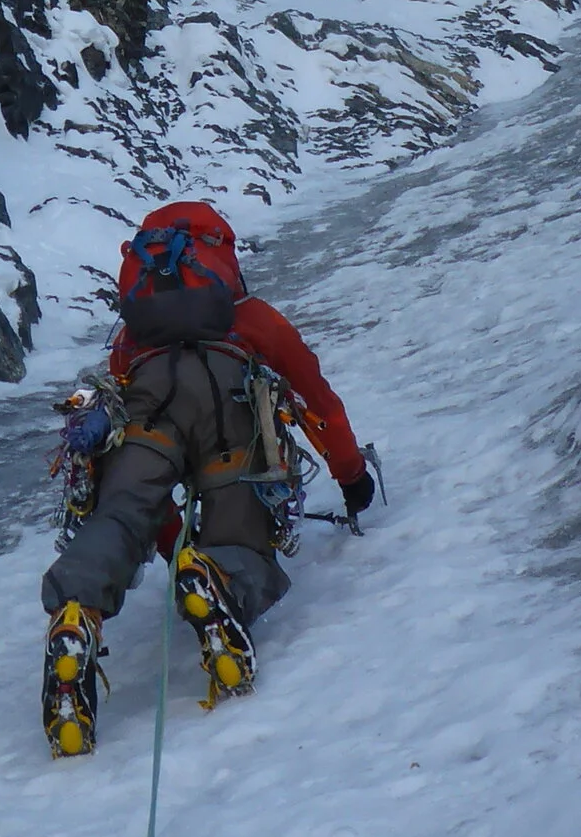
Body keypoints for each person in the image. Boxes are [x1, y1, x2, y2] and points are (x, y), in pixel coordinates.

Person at [41, 199, 374, 756]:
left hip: (149, 409)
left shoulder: (133, 332)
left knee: (121, 512)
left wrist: (175, 544)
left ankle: (78, 611)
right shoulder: (250, 316)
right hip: (229, 413)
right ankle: (222, 581)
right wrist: (351, 476)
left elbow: (138, 479)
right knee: (240, 529)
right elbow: (317, 402)